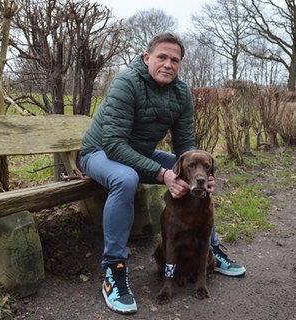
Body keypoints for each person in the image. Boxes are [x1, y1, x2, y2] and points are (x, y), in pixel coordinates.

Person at [79, 32, 246, 315]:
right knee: (126, 178)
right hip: (99, 153)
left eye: (175, 60)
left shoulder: (181, 93)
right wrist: (162, 174)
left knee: (190, 173)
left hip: (139, 152)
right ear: (147, 59)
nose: (168, 64)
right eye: (162, 57)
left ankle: (211, 250)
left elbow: (186, 150)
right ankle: (114, 270)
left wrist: (197, 174)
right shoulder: (126, 83)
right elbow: (115, 144)